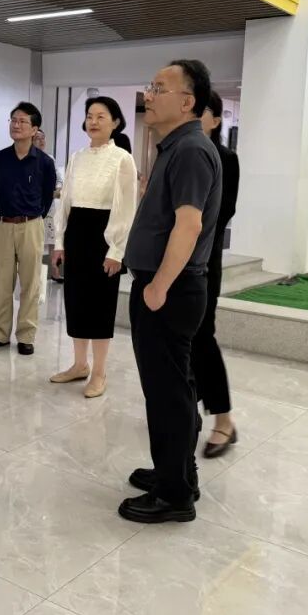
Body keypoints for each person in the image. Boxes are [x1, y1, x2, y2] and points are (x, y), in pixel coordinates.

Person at [119, 59, 222, 524]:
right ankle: (176, 472)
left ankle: (175, 495)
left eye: (159, 88)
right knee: (173, 389)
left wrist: (159, 285)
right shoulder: (177, 147)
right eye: (151, 86)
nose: (149, 95)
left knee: (169, 395)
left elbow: (189, 224)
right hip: (168, 287)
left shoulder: (191, 151)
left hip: (171, 289)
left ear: (187, 102)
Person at [50, 97, 137, 398]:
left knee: (100, 304)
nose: (94, 121)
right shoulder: (77, 157)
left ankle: (99, 372)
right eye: (90, 116)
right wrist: (59, 242)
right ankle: (79, 365)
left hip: (104, 237)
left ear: (115, 122)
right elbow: (66, 202)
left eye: (101, 116)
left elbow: (126, 209)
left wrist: (116, 250)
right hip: (76, 233)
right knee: (75, 300)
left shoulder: (122, 159)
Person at [0, 102, 57, 355]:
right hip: (3, 225)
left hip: (31, 226)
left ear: (35, 129)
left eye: (23, 121)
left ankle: (26, 335)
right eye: (13, 120)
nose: (16, 125)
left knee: (30, 284)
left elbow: (47, 197)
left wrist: (32, 217)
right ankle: (0, 333)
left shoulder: (44, 163)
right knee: (1, 283)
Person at [193, 90, 240, 457]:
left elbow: (223, 211)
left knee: (202, 337)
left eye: (202, 110)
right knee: (179, 341)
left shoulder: (226, 159)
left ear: (216, 119)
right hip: (174, 262)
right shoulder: (178, 151)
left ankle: (224, 420)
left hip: (205, 260)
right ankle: (186, 411)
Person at [34, 128, 65, 283]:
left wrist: (57, 189)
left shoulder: (50, 158)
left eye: (43, 138)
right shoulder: (28, 158)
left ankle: (55, 272)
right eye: (38, 138)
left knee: (53, 241)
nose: (41, 141)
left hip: (51, 207)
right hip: (34, 208)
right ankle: (35, 276)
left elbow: (59, 179)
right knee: (36, 243)